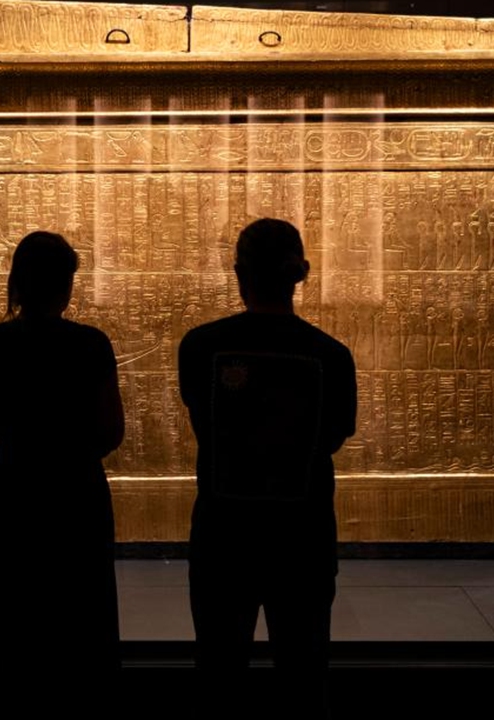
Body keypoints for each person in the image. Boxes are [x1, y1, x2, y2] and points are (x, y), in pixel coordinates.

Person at [178, 218, 357, 710]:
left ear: (239, 273)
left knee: (219, 677)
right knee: (303, 679)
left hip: (224, 535)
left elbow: (203, 423)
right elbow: (333, 437)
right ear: (300, 274)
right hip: (301, 537)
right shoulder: (331, 355)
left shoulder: (201, 346)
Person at [0, 230, 124, 676]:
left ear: (16, 282)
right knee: (86, 631)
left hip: (18, 494)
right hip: (78, 496)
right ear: (66, 286)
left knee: (20, 633)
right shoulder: (91, 344)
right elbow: (112, 432)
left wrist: (20, 414)